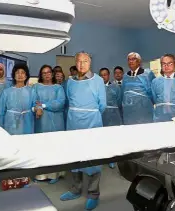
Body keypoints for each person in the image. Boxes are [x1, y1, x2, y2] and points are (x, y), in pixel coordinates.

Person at [60, 52, 106, 211]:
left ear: (90, 63)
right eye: (78, 61)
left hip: (92, 122)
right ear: (75, 62)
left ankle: (93, 193)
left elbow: (102, 105)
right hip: (73, 122)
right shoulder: (70, 82)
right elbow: (68, 101)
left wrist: (88, 114)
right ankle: (75, 189)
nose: (81, 64)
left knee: (93, 158)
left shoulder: (98, 81)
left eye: (85, 61)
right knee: (75, 157)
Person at [32, 65, 66, 184]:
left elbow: (60, 103)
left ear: (52, 74)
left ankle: (54, 174)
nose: (46, 75)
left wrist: (43, 105)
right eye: (43, 73)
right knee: (42, 147)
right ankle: (41, 175)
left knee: (55, 147)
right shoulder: (36, 87)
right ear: (41, 75)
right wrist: (37, 108)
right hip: (41, 122)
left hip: (56, 122)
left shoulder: (58, 88)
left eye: (48, 72)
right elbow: (33, 101)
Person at [0, 63, 36, 135]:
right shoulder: (7, 92)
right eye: (17, 73)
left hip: (27, 123)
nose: (20, 75)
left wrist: (39, 108)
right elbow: (1, 112)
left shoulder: (32, 91)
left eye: (22, 73)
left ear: (26, 76)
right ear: (14, 76)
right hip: (10, 123)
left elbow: (36, 104)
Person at [151, 54, 175, 122]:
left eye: (169, 63)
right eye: (163, 64)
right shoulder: (155, 82)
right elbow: (155, 99)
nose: (166, 66)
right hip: (160, 117)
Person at [121, 52, 155, 125]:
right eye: (129, 60)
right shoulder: (125, 77)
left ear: (139, 61)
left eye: (133, 59)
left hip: (144, 110)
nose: (131, 61)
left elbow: (153, 92)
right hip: (129, 111)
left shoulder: (147, 74)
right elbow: (123, 93)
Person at [99, 67, 122, 169]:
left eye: (105, 74)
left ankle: (112, 159)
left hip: (113, 115)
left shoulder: (115, 87)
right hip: (101, 115)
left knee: (112, 137)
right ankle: (103, 156)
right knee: (101, 137)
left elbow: (119, 100)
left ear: (108, 75)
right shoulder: (97, 87)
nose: (103, 77)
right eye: (101, 75)